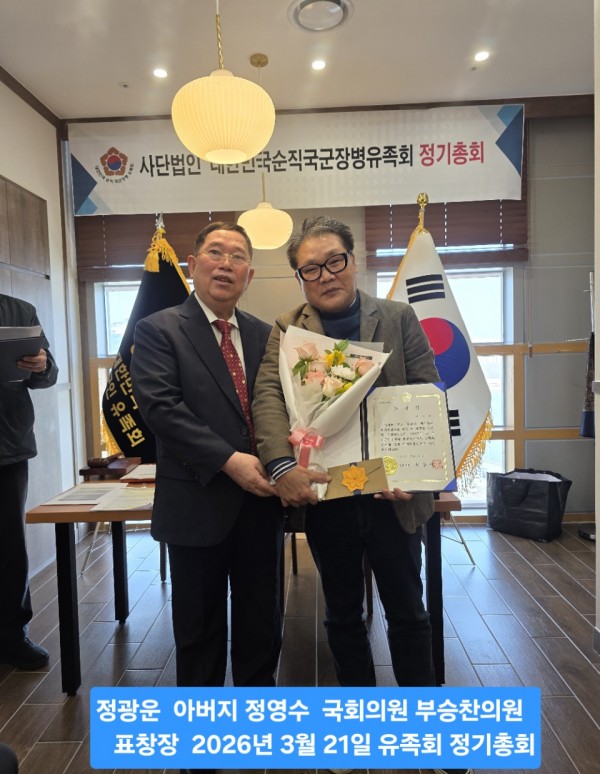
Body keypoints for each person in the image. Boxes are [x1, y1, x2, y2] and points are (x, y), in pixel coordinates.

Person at [252, 217, 471, 774]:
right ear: (299, 277)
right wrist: (281, 466)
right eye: (311, 268)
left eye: (335, 261)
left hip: (392, 491)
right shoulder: (287, 328)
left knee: (409, 611)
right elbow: (269, 399)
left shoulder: (397, 317)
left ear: (354, 260)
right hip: (329, 492)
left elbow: (427, 393)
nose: (325, 275)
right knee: (343, 614)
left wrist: (416, 469)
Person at [131, 223, 284, 770]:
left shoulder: (267, 335)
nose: (226, 264)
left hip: (261, 502)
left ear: (250, 274)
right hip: (196, 501)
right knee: (197, 632)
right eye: (215, 253)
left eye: (238, 256)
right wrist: (230, 460)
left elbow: (283, 407)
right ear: (192, 264)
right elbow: (161, 409)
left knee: (261, 624)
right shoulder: (157, 329)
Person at [0, 294, 58, 670]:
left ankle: (11, 636)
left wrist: (42, 364)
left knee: (8, 545)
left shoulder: (20, 311)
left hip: (7, 447)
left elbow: (48, 374)